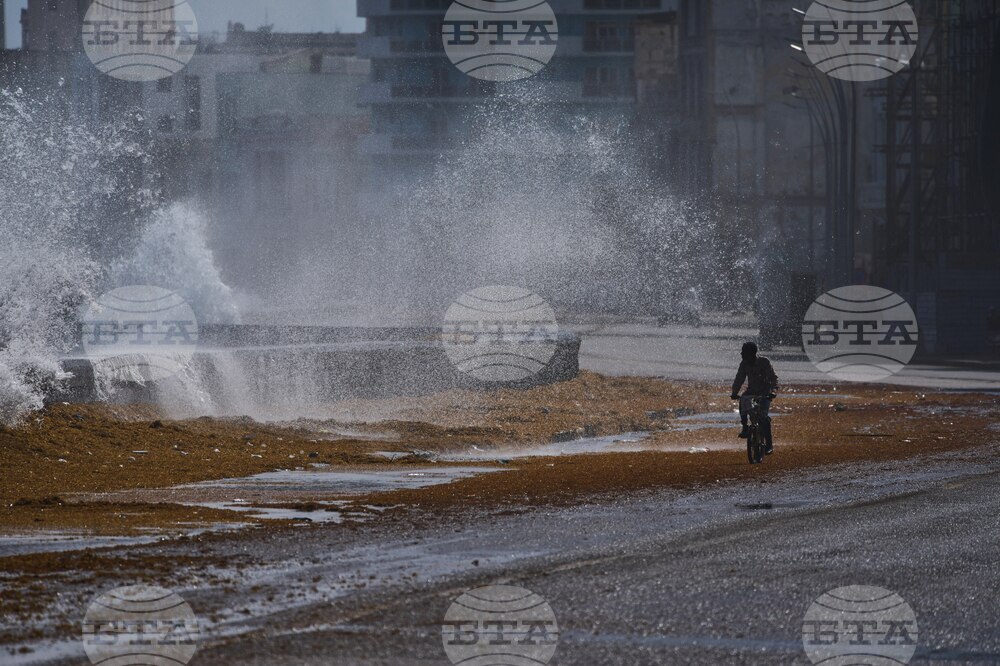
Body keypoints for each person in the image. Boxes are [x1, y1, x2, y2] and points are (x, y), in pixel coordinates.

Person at [730, 341, 778, 452]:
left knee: (764, 418)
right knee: (742, 400)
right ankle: (745, 427)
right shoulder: (744, 364)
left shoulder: (764, 362)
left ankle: (769, 445)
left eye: (743, 352)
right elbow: (739, 379)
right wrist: (734, 392)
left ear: (751, 353)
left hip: (765, 393)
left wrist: (773, 392)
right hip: (751, 391)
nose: (741, 354)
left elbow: (773, 378)